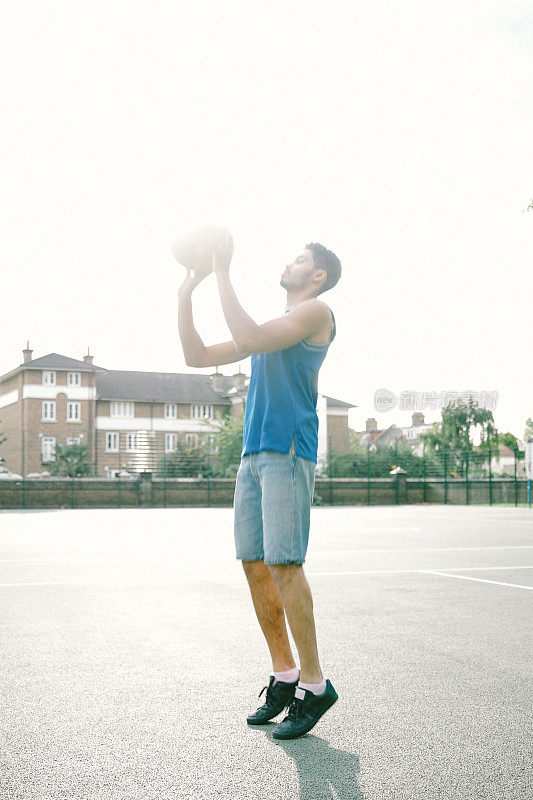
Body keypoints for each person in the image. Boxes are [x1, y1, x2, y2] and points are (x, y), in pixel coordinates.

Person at [178, 230, 341, 740]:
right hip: (252, 454)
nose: (291, 262)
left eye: (302, 259)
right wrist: (187, 291)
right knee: (254, 565)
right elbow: (198, 355)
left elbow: (248, 338)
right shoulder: (273, 325)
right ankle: (284, 674)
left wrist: (224, 271)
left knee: (284, 566)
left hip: (288, 451)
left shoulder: (315, 313)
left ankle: (315, 686)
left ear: (317, 275)